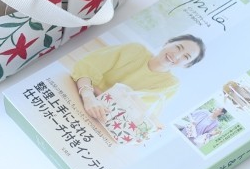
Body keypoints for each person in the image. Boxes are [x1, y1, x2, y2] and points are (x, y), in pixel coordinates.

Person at [72, 34, 206, 120]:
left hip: (104, 118)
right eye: (178, 47)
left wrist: (96, 91)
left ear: (186, 65)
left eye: (186, 57)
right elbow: (86, 68)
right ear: (167, 43)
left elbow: (134, 110)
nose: (177, 55)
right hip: (77, 93)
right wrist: (89, 96)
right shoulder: (135, 50)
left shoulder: (170, 85)